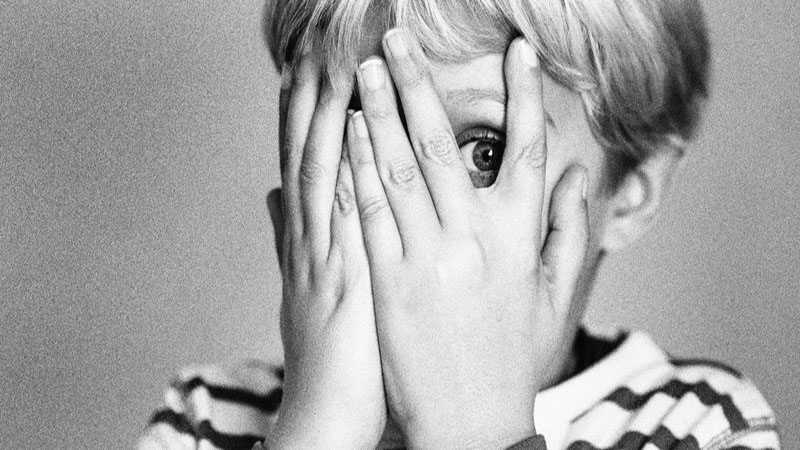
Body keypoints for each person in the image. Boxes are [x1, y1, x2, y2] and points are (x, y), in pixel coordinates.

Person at [138, 0, 780, 448]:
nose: (403, 197)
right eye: (361, 132)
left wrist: (476, 431)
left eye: (483, 152)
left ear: (629, 195)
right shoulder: (205, 419)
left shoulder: (701, 423)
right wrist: (322, 427)